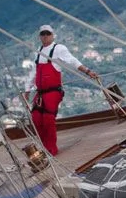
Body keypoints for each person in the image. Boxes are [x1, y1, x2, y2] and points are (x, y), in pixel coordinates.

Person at [23, 24, 99, 155]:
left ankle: (51, 149)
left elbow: (72, 61)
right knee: (36, 119)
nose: (45, 36)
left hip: (53, 91)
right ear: (40, 37)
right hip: (40, 93)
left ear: (52, 35)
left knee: (47, 119)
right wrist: (27, 90)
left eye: (48, 33)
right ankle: (44, 148)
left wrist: (87, 71)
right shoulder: (39, 51)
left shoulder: (58, 49)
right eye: (43, 34)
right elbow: (34, 73)